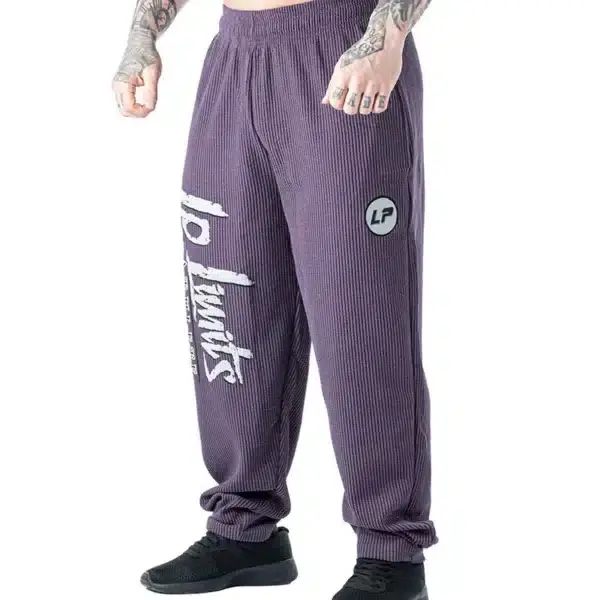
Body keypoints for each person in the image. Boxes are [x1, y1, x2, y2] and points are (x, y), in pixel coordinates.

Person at [112, 1, 436, 598]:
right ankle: (244, 528)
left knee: (359, 313)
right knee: (230, 300)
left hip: (342, 51)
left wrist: (386, 38)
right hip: (235, 57)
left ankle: (391, 551)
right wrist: (143, 36)